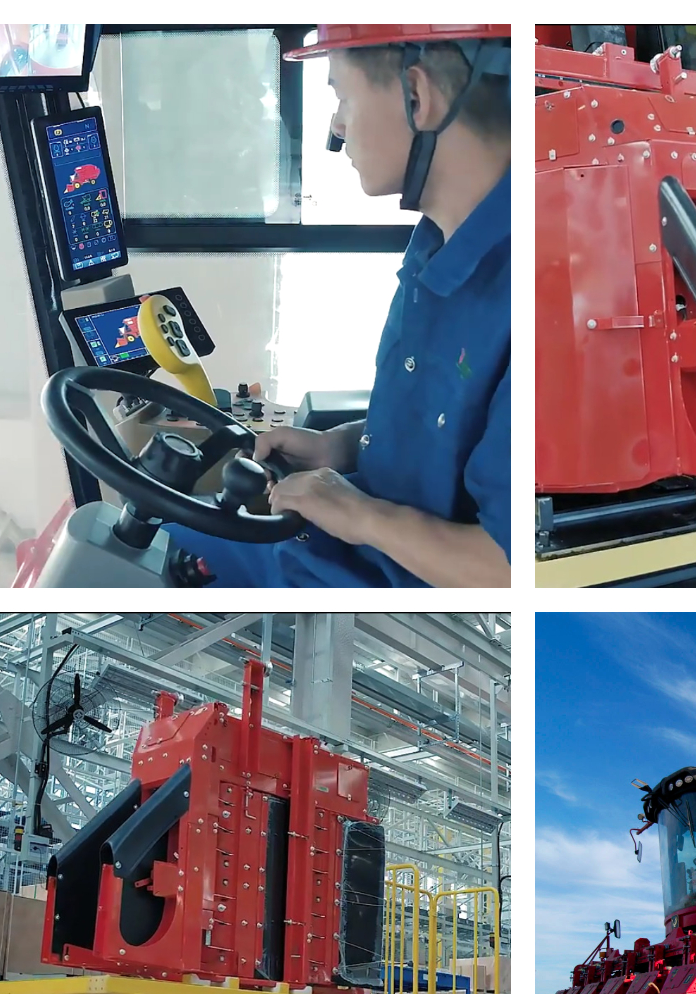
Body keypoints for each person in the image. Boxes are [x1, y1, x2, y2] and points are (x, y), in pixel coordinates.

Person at [169, 24, 511, 587]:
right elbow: (436, 428)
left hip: (370, 596)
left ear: (417, 97)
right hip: (330, 547)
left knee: (120, 545)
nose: (335, 126)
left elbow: (505, 569)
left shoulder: (537, 298)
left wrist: (360, 515)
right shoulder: (434, 241)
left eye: (341, 97)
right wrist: (338, 448)